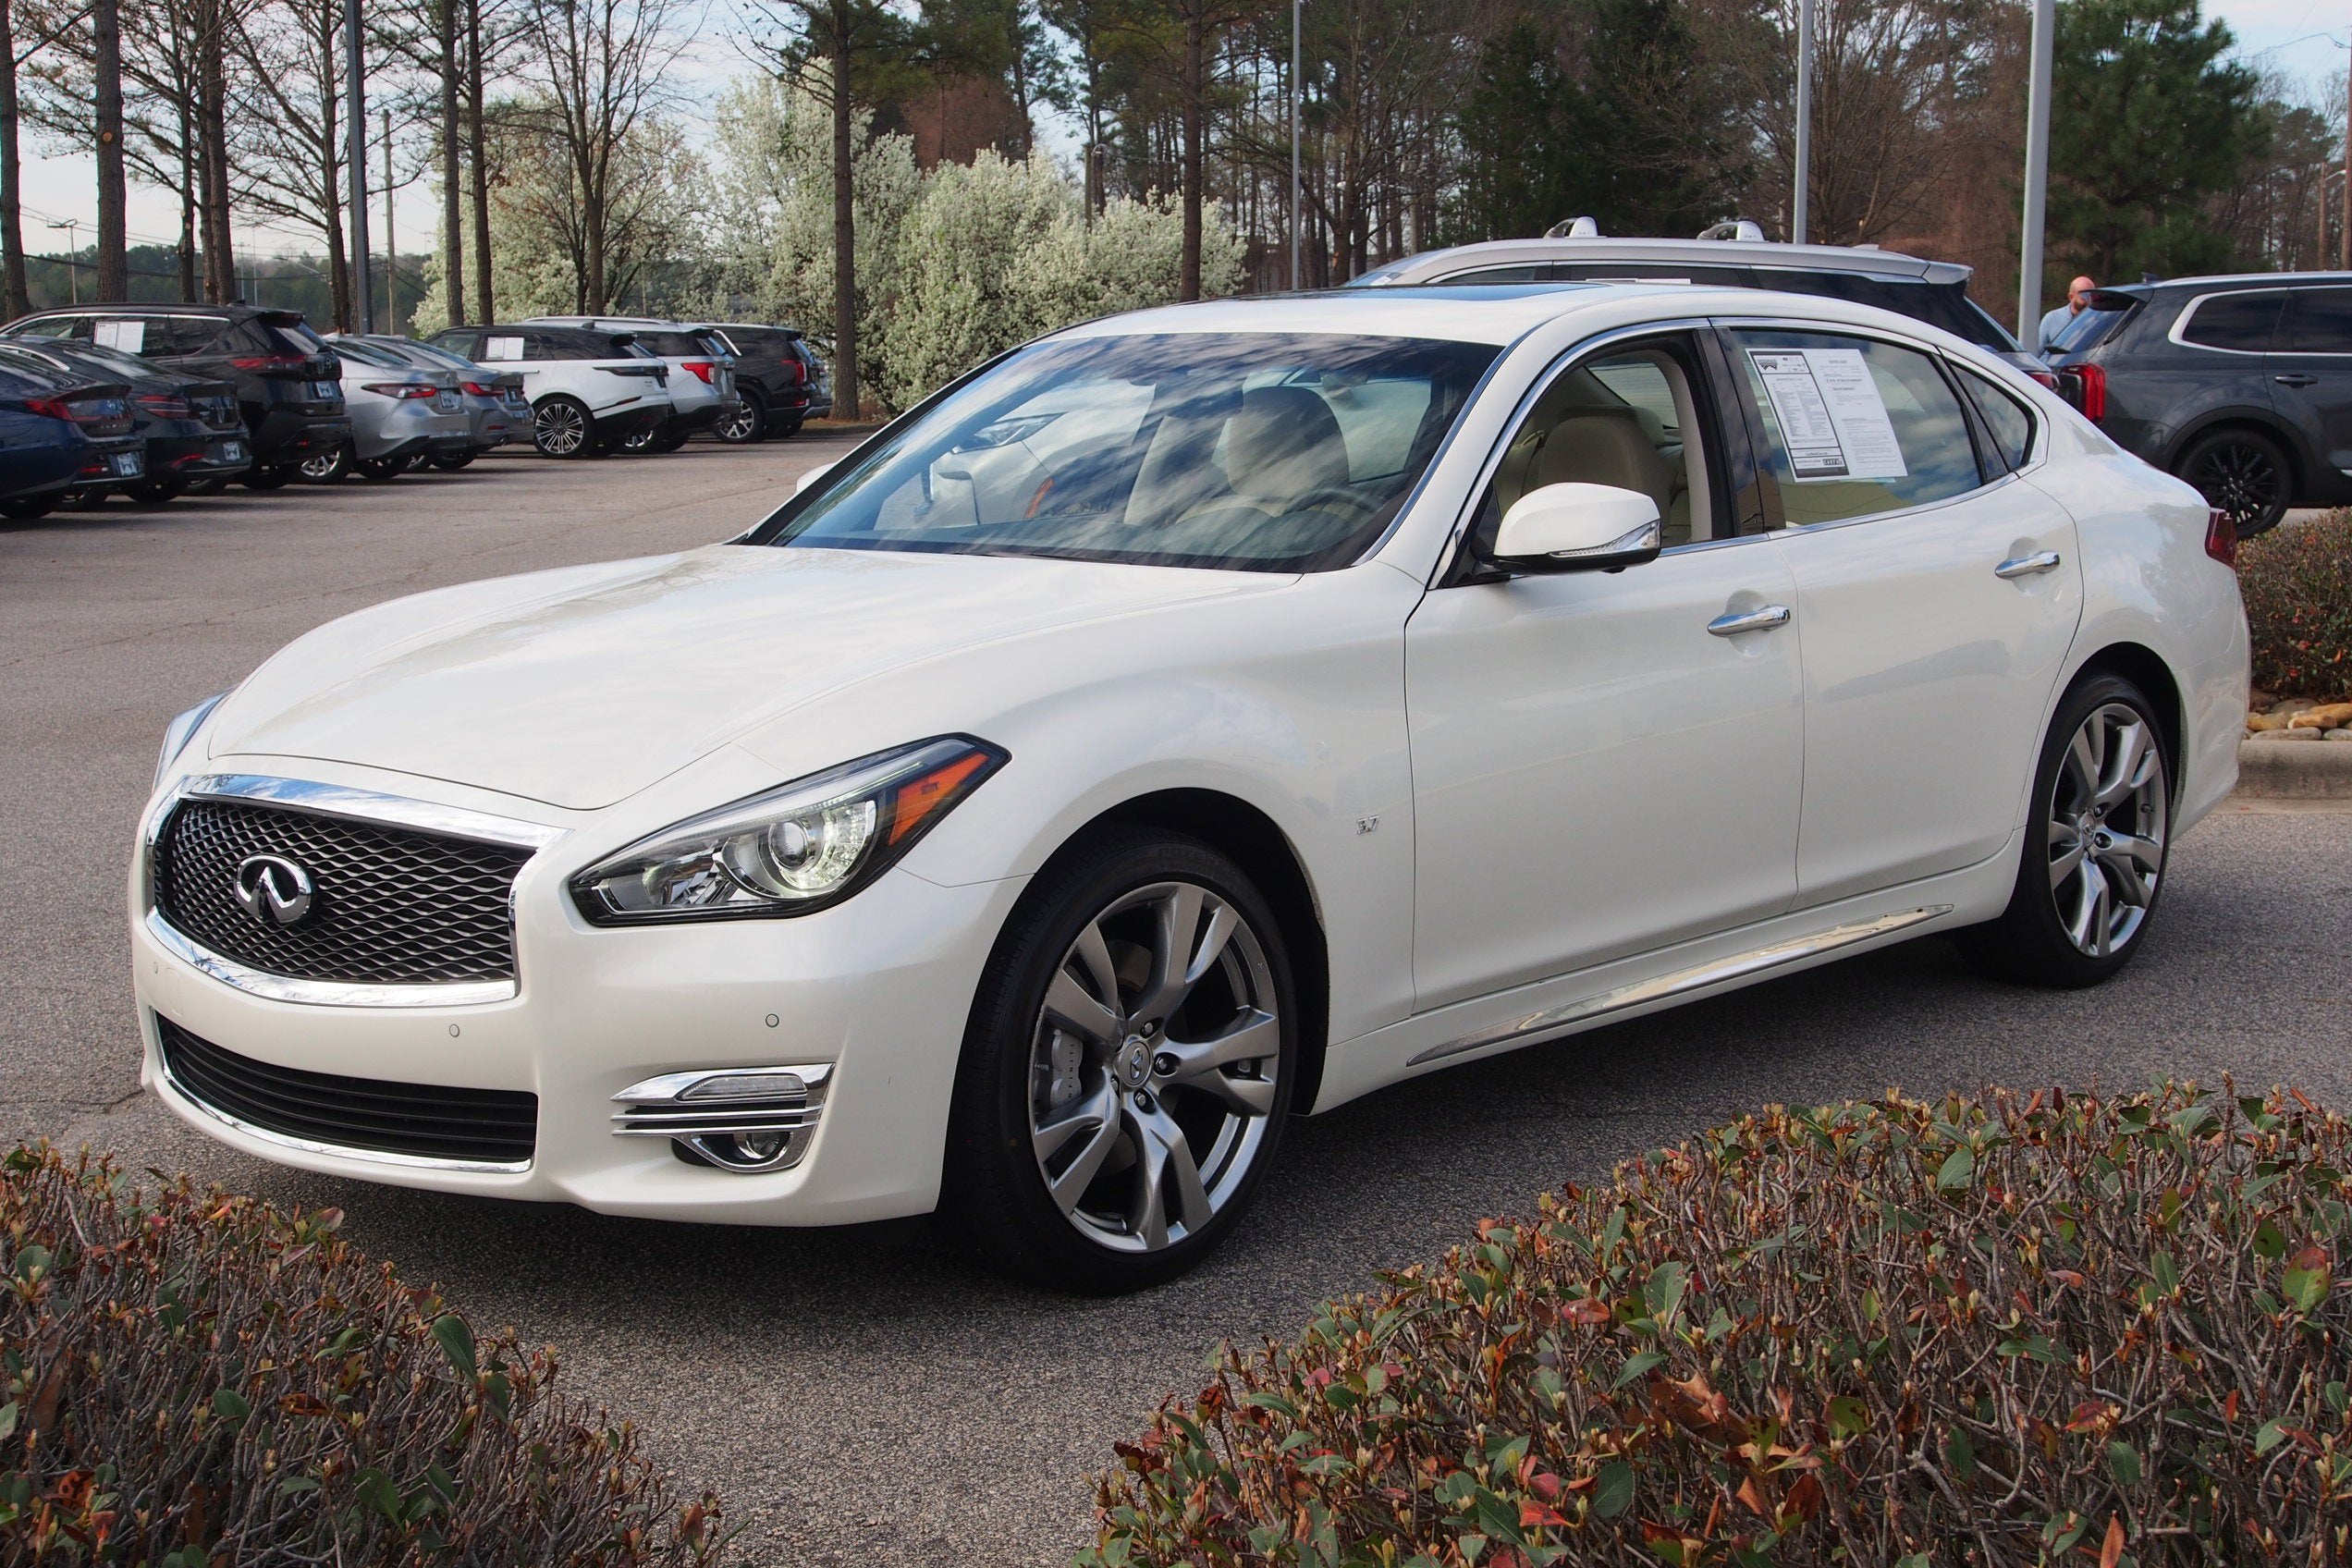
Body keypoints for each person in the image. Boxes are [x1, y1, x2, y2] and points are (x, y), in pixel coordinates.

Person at [2040, 276, 2096, 353]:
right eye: (2084, 296)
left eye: (2091, 296)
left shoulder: (2098, 320)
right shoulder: (2052, 319)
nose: (2088, 300)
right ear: (2071, 297)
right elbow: (2038, 353)